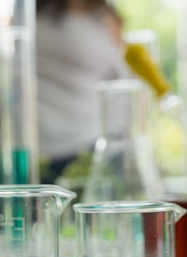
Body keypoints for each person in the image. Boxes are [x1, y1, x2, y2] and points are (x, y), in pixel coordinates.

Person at [36, 0, 130, 183]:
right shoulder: (29, 16)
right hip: (30, 152)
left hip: (90, 145)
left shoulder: (103, 20)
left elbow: (122, 81)